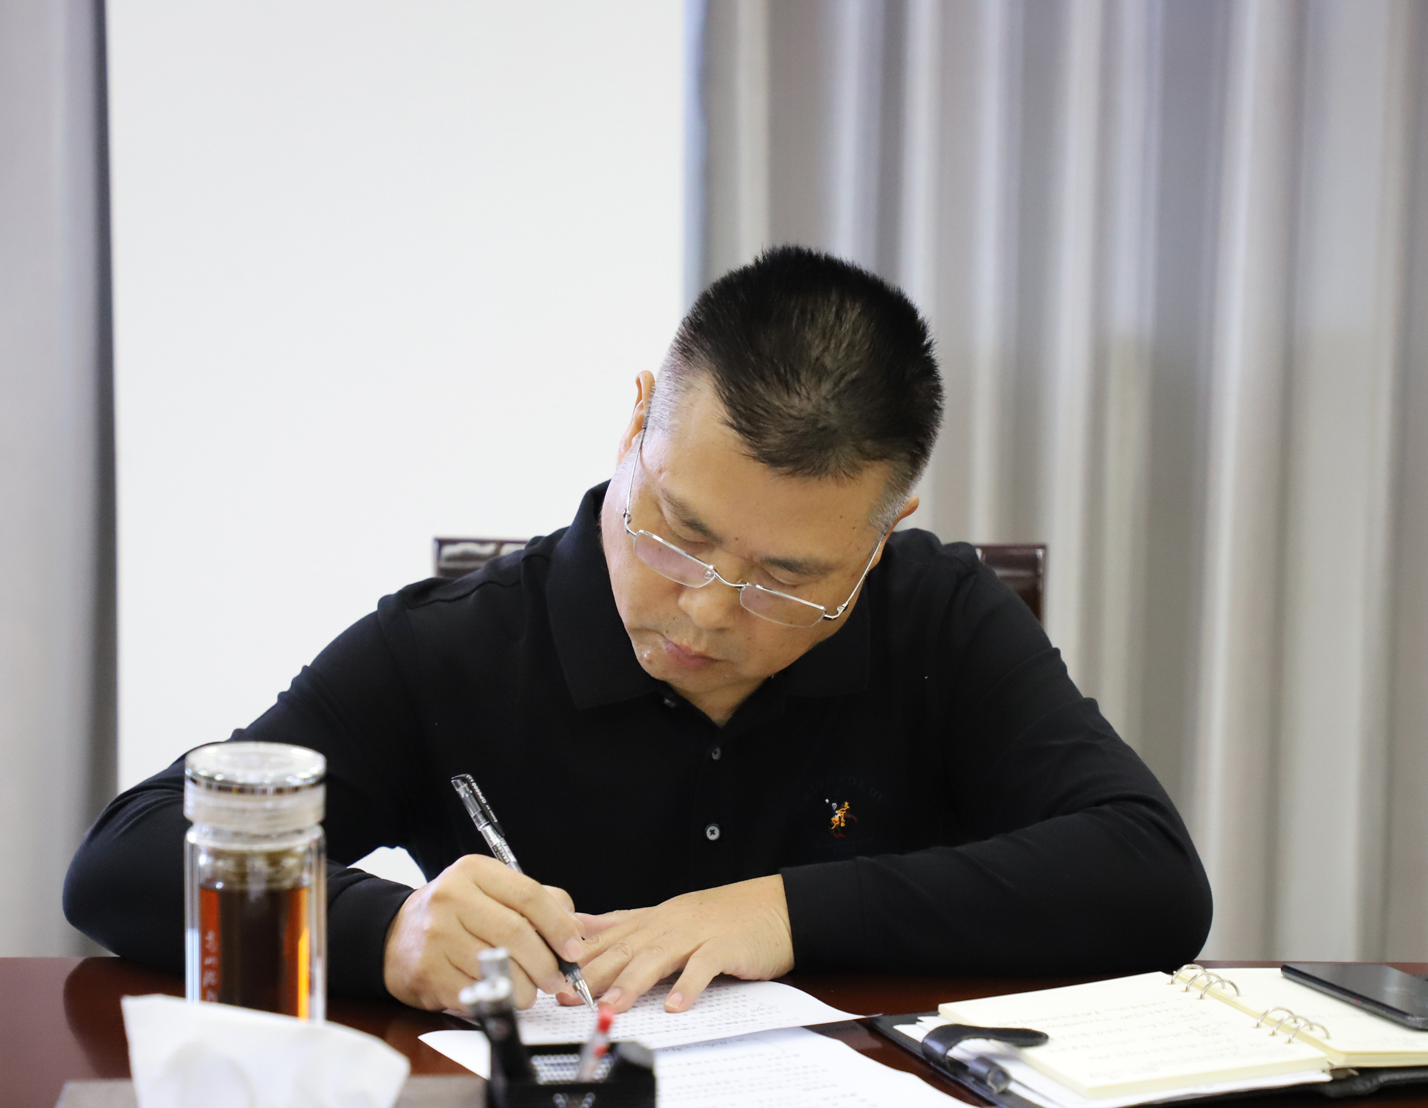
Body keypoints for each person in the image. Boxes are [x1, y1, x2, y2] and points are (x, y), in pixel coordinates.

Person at [64, 246, 1211, 1015]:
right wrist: (387, 929)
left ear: (881, 536)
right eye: (678, 530)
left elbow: (1149, 877)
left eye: (786, 578)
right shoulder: (455, 646)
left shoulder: (935, 619)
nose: (706, 607)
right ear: (634, 426)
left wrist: (782, 910)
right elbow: (124, 856)